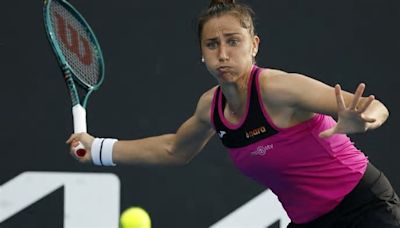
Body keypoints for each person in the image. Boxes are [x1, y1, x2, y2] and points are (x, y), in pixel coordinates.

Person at [66, 0, 400, 227]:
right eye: (212, 45)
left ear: (253, 45)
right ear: (202, 53)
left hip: (364, 209)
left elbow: (375, 107)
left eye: (233, 41)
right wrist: (95, 149)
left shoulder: (278, 88)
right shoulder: (210, 108)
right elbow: (174, 149)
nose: (223, 54)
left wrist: (363, 120)